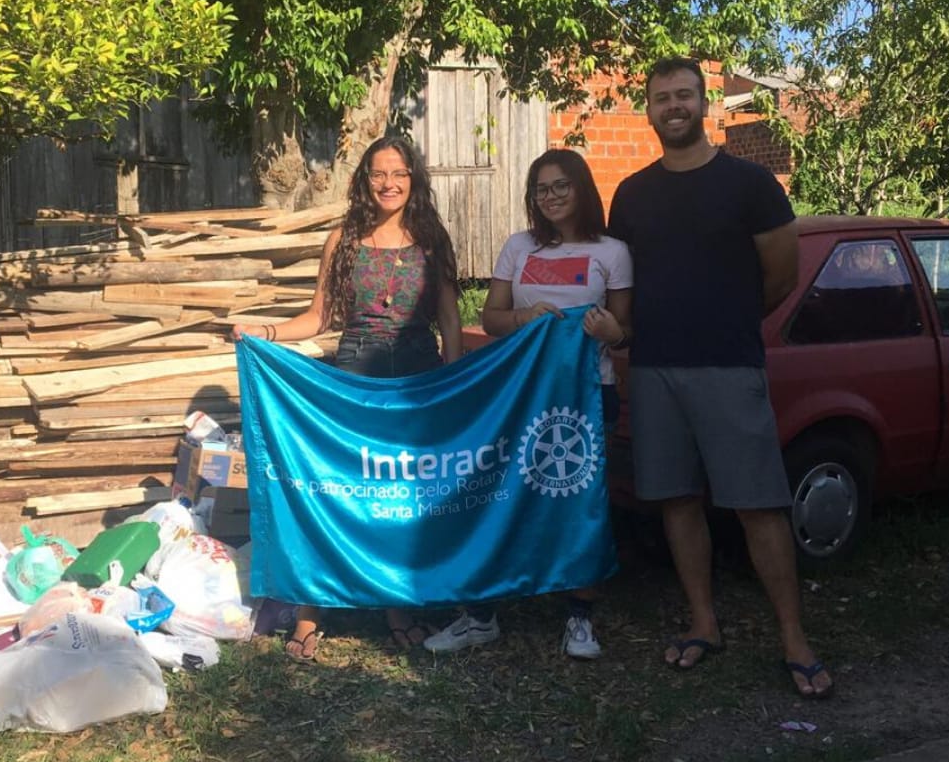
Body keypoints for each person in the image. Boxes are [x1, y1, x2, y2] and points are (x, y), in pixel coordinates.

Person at [606, 56, 834, 700]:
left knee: (759, 504)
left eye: (684, 95)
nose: (673, 106)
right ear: (648, 110)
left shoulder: (751, 184)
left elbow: (781, 278)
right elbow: (621, 280)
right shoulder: (633, 194)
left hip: (730, 367)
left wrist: (728, 324)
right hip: (652, 368)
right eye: (661, 98)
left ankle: (793, 638)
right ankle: (705, 622)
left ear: (703, 104)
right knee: (677, 499)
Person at [233, 135, 462, 661]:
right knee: (342, 486)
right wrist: (264, 332)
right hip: (355, 370)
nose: (389, 183)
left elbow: (450, 320)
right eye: (379, 174)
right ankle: (315, 609)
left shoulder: (432, 238)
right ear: (365, 180)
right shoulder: (345, 237)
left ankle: (395, 604)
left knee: (404, 489)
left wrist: (451, 387)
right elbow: (320, 318)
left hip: (417, 370)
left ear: (413, 178)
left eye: (399, 173)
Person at [422, 148, 632, 659]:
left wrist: (610, 330)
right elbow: (491, 318)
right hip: (518, 393)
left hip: (585, 394)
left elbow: (625, 332)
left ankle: (580, 618)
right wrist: (523, 319)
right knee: (501, 494)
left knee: (581, 500)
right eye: (542, 188)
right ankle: (481, 614)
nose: (552, 196)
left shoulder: (613, 251)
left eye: (561, 185)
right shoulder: (519, 247)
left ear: (581, 188)